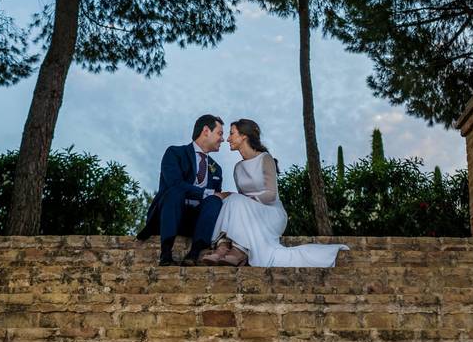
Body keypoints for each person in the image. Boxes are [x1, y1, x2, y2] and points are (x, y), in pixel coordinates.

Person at [201, 119, 348, 268]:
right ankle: (223, 247)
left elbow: (270, 195)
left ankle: (239, 251)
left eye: (232, 134)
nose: (227, 139)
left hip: (271, 212)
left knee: (236, 200)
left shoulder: (265, 159)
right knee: (230, 202)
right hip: (250, 213)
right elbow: (239, 204)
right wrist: (221, 195)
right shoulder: (238, 168)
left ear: (244, 136)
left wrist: (239, 198)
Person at [136, 114, 226, 266]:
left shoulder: (216, 169)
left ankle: (194, 253)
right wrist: (206, 193)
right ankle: (165, 254)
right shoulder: (175, 153)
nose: (222, 139)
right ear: (206, 131)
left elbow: (214, 197)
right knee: (176, 190)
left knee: (215, 200)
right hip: (169, 216)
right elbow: (174, 183)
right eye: (220, 133)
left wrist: (217, 196)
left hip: (196, 222)